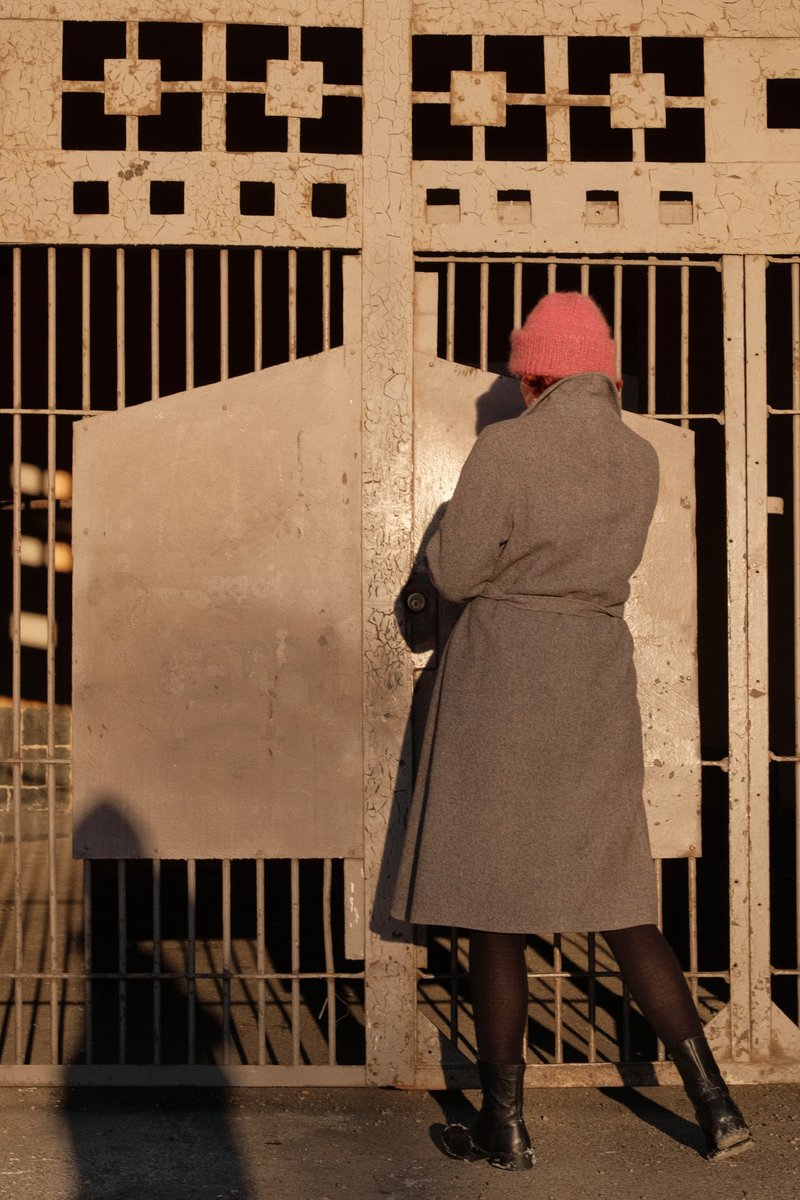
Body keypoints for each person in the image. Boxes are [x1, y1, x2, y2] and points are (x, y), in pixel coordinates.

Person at [390, 292, 752, 1170]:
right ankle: (715, 1105)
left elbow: (463, 568)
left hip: (504, 682)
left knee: (495, 911)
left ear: (535, 370)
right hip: (595, 681)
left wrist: (442, 556)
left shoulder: (506, 448)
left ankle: (504, 1125)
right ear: (606, 371)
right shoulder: (639, 459)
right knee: (622, 902)